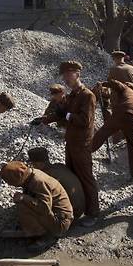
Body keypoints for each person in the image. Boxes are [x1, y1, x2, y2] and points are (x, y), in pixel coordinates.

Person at [41, 60, 100, 226]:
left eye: (69, 74)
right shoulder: (72, 96)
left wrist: (66, 115)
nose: (66, 78)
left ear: (78, 74)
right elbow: (61, 114)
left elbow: (84, 120)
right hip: (71, 142)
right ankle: (77, 208)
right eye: (64, 75)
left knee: (86, 177)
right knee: (73, 177)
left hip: (82, 144)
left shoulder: (87, 95)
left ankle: (93, 213)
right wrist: (45, 119)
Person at [1, 161, 74, 250]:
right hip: (56, 215)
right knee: (23, 202)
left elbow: (44, 209)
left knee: (22, 205)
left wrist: (24, 198)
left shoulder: (38, 182)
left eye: (11, 182)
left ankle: (46, 236)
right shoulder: (30, 174)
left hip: (60, 223)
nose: (10, 184)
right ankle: (37, 230)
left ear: (19, 178)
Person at [92, 79, 133, 182]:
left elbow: (116, 83)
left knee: (103, 132)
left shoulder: (126, 88)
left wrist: (103, 83)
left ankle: (86, 151)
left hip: (123, 113)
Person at [27, 147, 86, 219]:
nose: (33, 166)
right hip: (81, 209)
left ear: (39, 164)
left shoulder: (46, 177)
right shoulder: (59, 166)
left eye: (33, 164)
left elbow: (44, 202)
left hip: (70, 215)